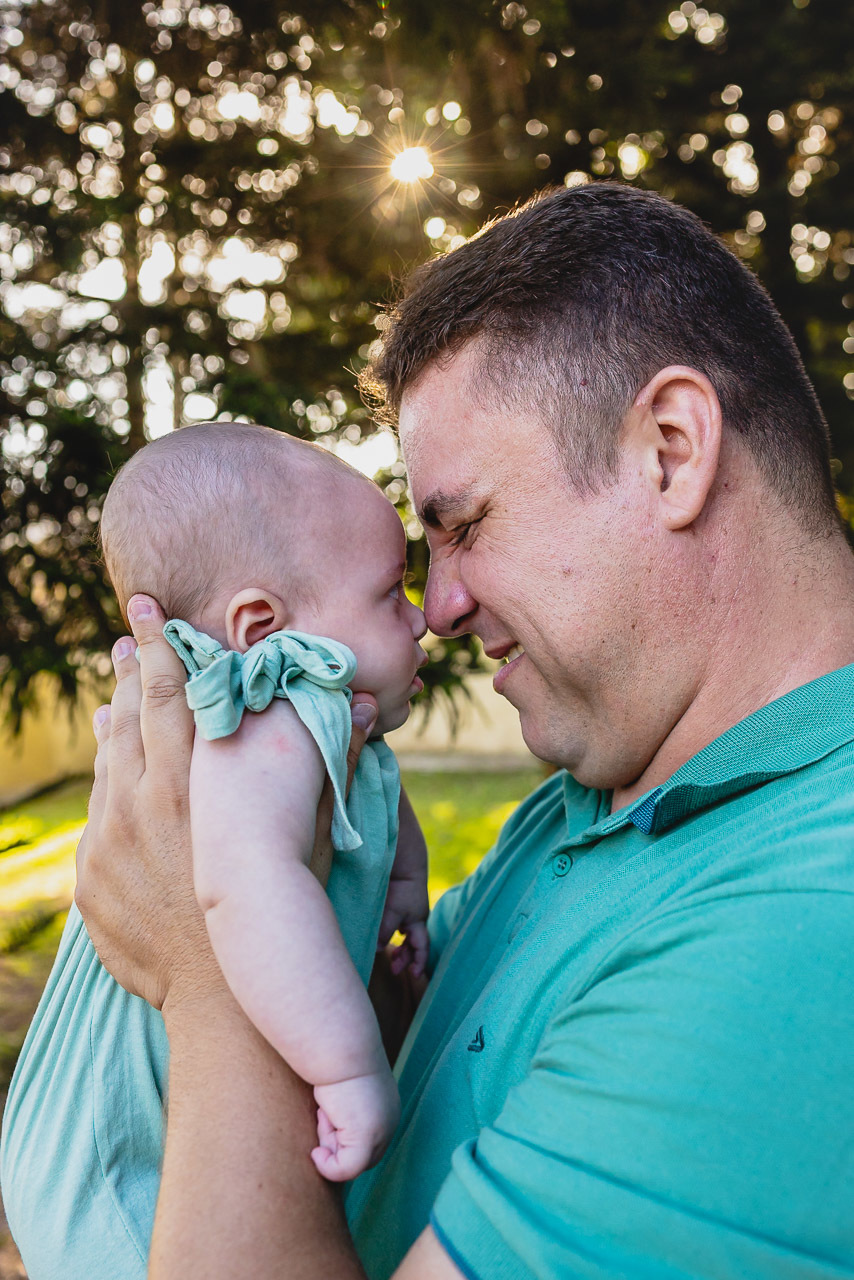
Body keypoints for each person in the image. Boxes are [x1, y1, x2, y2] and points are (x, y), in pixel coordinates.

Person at [76, 182, 854, 1279]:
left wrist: (210, 973)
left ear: (669, 451)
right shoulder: (595, 795)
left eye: (465, 524)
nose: (436, 607)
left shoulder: (804, 923)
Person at [1, 425, 429, 1274]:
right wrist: (349, 1071)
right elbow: (245, 880)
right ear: (262, 625)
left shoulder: (323, 717)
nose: (424, 618)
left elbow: (376, 796)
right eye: (390, 592)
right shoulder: (272, 704)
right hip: (116, 1159)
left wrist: (404, 882)